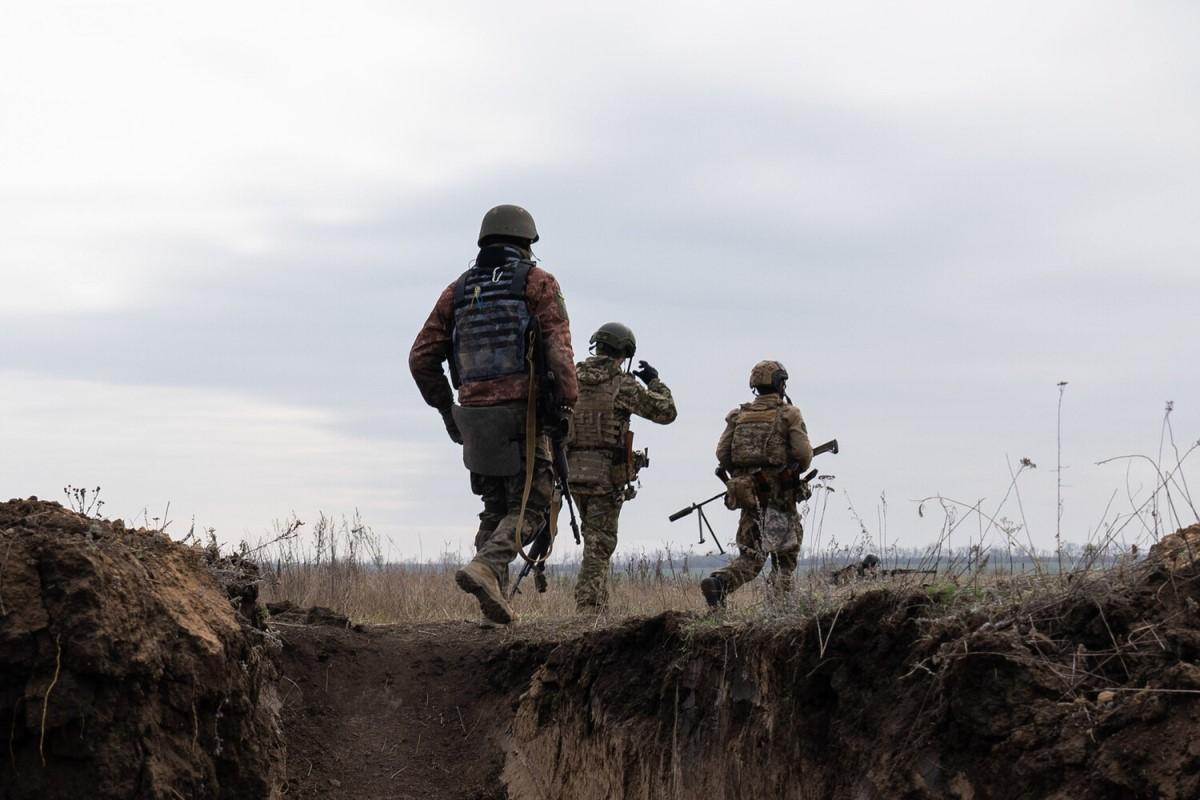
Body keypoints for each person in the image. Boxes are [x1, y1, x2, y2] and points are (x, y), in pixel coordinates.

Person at [409, 204, 577, 625]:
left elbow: (421, 358)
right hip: (524, 418)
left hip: (475, 420)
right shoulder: (538, 283)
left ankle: (493, 606)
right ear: (526, 243)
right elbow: (559, 354)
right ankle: (485, 569)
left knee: (494, 508)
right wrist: (567, 403)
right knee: (534, 507)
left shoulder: (457, 291)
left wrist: (449, 410)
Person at [568, 322, 677, 612]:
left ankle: (597, 609)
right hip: (605, 475)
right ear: (623, 352)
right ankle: (588, 606)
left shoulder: (570, 379)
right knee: (600, 543)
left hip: (571, 473)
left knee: (594, 540)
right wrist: (654, 381)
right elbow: (667, 412)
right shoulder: (622, 384)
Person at [701, 360, 812, 608]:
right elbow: (804, 456)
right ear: (780, 384)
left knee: (751, 557)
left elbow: (722, 455)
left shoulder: (738, 416)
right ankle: (779, 610)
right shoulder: (788, 414)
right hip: (779, 499)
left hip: (749, 497)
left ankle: (719, 583)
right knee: (784, 560)